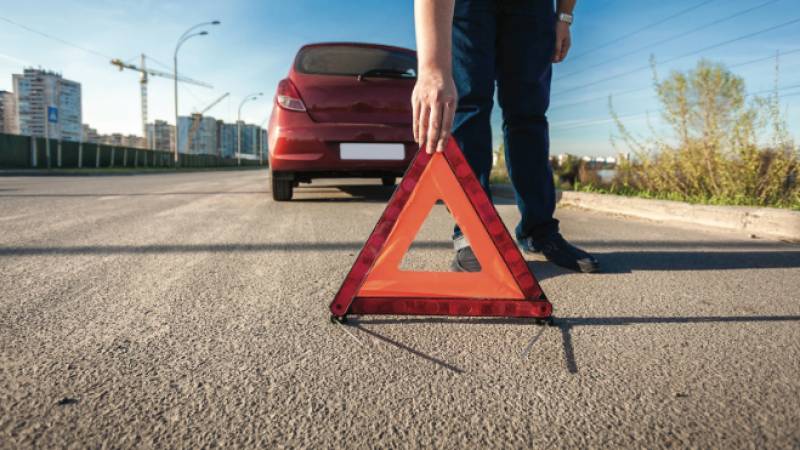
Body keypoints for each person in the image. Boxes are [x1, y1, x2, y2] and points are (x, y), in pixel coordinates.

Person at [411, 0, 600, 273]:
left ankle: (539, 231)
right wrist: (431, 67)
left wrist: (564, 17)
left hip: (533, 9)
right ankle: (472, 232)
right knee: (468, 108)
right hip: (467, 7)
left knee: (529, 116)